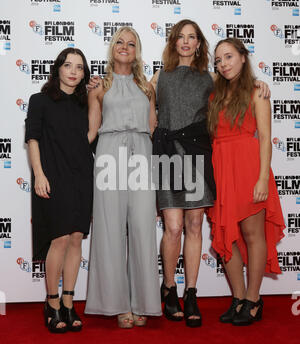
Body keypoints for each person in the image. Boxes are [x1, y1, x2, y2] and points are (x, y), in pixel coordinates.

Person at [150, 19, 270, 328]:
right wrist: (99, 88)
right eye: (181, 37)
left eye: (193, 37)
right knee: (173, 227)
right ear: (173, 42)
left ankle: (192, 292)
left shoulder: (210, 80)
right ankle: (169, 287)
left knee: (195, 225)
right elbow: (134, 93)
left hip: (201, 158)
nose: (186, 42)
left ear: (199, 43)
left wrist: (261, 83)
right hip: (170, 158)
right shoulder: (159, 76)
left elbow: (239, 88)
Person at [84, 26, 162, 328]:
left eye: (131, 43)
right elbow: (92, 129)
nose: (125, 47)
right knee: (109, 228)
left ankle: (142, 301)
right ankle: (117, 304)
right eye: (120, 42)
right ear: (112, 47)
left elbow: (153, 126)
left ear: (137, 51)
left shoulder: (147, 87)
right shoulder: (99, 85)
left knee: (143, 226)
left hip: (142, 152)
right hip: (108, 153)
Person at [207, 38, 285, 326]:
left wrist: (263, 177)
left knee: (253, 237)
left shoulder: (257, 92)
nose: (223, 63)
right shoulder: (214, 95)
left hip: (249, 169)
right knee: (225, 234)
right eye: (218, 60)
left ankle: (253, 300)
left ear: (243, 57)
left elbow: (265, 138)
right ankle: (238, 298)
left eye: (228, 57)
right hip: (221, 170)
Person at [25, 48, 93, 333]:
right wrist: (39, 174)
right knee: (60, 238)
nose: (73, 71)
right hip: (53, 176)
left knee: (76, 237)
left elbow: (90, 136)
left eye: (79, 67)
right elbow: (33, 140)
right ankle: (51, 302)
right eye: (68, 65)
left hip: (81, 175)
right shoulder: (39, 100)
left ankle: (68, 301)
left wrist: (96, 98)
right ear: (58, 69)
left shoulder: (83, 103)